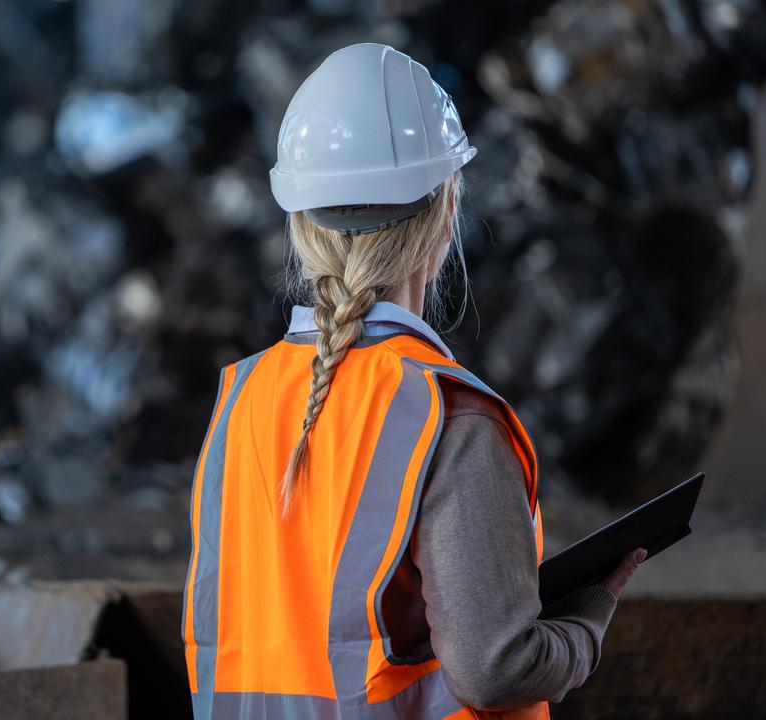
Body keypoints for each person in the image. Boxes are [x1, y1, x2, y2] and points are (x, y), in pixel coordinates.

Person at [181, 43, 647, 719]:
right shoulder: (448, 416)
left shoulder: (242, 400)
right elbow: (495, 672)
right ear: (447, 217)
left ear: (301, 223)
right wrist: (585, 623)